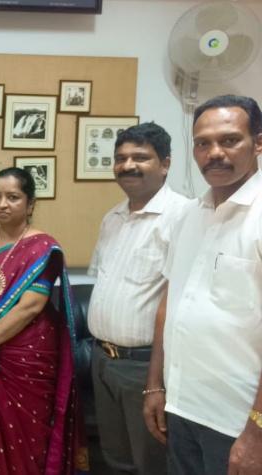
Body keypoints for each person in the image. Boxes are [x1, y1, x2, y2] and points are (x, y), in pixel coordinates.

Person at [143, 95, 262, 475]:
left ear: (258, 143)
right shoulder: (189, 216)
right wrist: (155, 385)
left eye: (230, 140)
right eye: (202, 143)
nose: (214, 153)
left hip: (237, 420)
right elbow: (170, 304)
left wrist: (257, 430)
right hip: (183, 408)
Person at [0, 167, 88, 474]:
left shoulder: (44, 248)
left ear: (30, 204)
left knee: (26, 443)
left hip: (25, 357)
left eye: (13, 197)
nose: (2, 204)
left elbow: (30, 307)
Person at [87, 122, 190, 474]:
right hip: (103, 360)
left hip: (144, 367)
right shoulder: (112, 218)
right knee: (116, 459)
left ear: (165, 163)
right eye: (121, 158)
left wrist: (155, 381)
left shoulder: (183, 216)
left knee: (151, 462)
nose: (128, 165)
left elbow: (180, 304)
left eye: (140, 157)